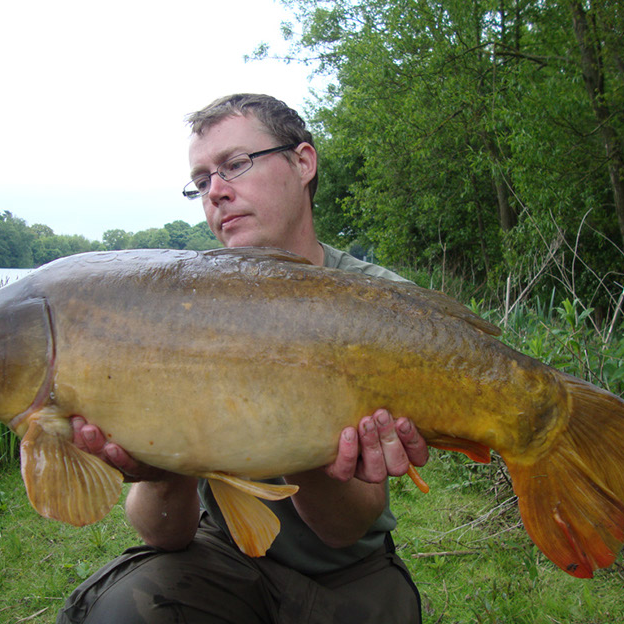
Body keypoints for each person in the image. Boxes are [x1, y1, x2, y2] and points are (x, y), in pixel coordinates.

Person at [56, 94, 429, 624]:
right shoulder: (177, 305)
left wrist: (303, 412)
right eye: (202, 180)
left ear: (303, 162)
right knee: (120, 611)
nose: (217, 192)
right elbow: (165, 533)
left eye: (235, 165)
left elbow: (344, 530)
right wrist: (159, 467)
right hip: (221, 552)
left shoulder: (382, 304)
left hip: (349, 565)